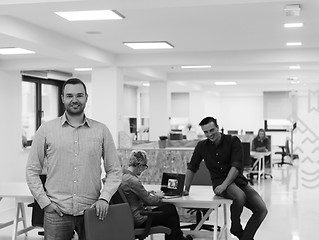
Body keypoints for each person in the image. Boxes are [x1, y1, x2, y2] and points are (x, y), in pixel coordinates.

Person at [26, 78, 122, 240]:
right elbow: (32, 170)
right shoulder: (46, 130)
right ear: (62, 98)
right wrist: (45, 203)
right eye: (69, 96)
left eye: (79, 95)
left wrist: (104, 198)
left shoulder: (101, 130)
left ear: (86, 97)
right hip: (56, 212)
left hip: (92, 211)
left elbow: (114, 170)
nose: (75, 100)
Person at [184, 117, 267, 240]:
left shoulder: (233, 141)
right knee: (239, 196)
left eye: (212, 130)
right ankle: (236, 227)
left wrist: (225, 184)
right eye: (206, 132)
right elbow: (192, 167)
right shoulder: (202, 146)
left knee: (261, 210)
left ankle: (241, 234)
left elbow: (236, 166)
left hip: (238, 181)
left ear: (218, 127)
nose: (209, 134)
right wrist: (186, 189)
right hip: (218, 183)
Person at [120, 150, 192, 240]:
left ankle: (180, 238)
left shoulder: (123, 176)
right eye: (144, 167)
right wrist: (158, 196)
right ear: (139, 165)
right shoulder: (133, 180)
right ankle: (181, 238)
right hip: (141, 219)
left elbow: (134, 195)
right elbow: (150, 201)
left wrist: (148, 193)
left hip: (130, 219)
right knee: (170, 209)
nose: (143, 170)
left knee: (171, 219)